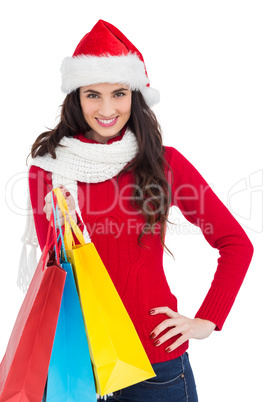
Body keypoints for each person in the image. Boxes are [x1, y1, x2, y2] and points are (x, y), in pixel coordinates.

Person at [25, 20, 253, 401]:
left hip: (155, 364)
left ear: (135, 95)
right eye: (92, 95)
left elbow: (235, 243)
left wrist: (207, 320)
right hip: (76, 365)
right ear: (76, 98)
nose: (107, 108)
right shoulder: (47, 170)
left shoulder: (165, 164)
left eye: (118, 93)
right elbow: (53, 269)